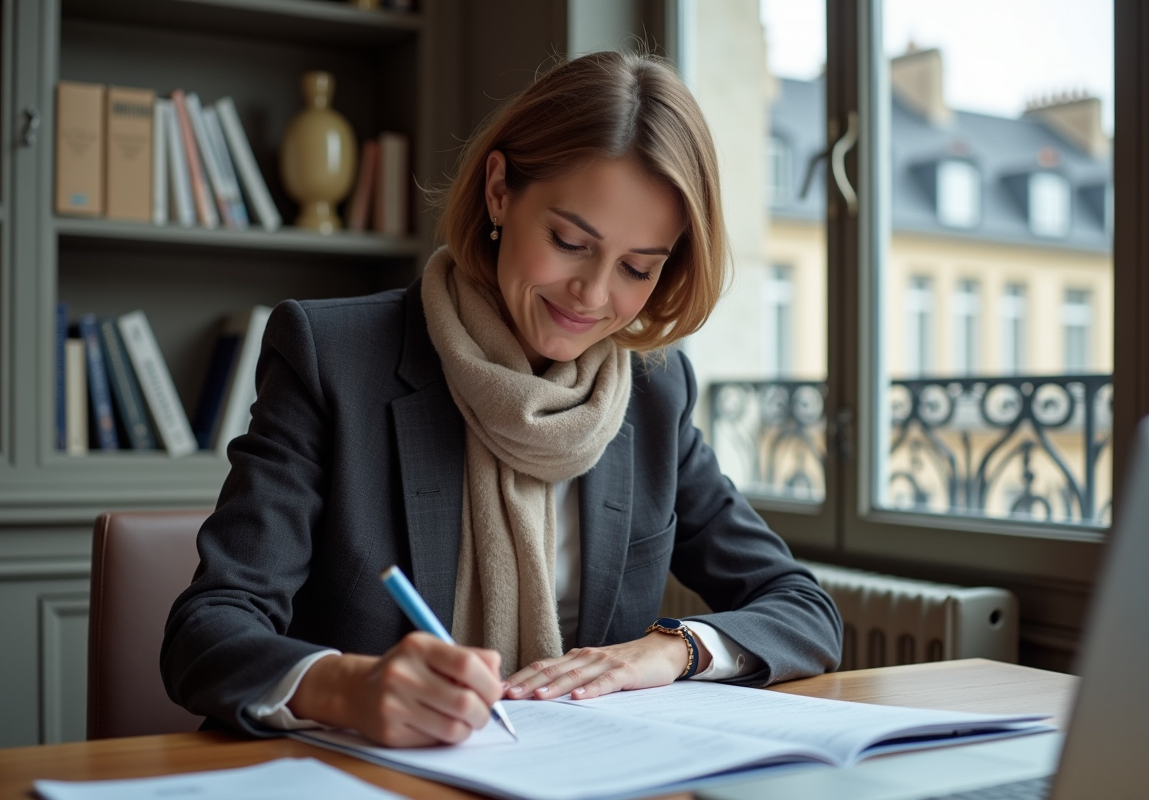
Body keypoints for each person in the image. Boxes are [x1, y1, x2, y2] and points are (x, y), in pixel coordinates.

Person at [161, 50, 842, 749]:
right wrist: (350, 687)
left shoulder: (651, 392)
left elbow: (803, 609)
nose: (595, 295)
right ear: (498, 192)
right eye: (570, 241)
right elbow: (208, 630)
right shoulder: (332, 356)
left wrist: (671, 650)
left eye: (639, 267)